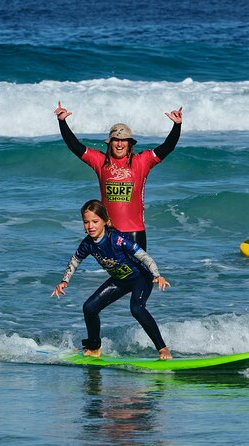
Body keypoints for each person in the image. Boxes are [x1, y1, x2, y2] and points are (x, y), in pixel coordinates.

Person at [51, 199, 173, 360]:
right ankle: (94, 348)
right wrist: (64, 281)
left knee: (137, 309)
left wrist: (157, 275)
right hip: (119, 280)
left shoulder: (117, 239)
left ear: (105, 221)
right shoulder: (88, 244)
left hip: (140, 278)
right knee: (89, 308)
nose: (90, 226)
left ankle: (163, 349)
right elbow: (75, 260)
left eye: (95, 221)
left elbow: (144, 257)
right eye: (86, 222)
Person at [54, 101, 183, 250]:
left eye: (124, 140)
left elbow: (168, 147)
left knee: (138, 273)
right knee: (118, 273)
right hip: (110, 232)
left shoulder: (142, 161)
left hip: (135, 232)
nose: (120, 144)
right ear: (110, 143)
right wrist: (62, 122)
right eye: (116, 140)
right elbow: (75, 146)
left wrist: (177, 126)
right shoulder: (101, 161)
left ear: (129, 144)